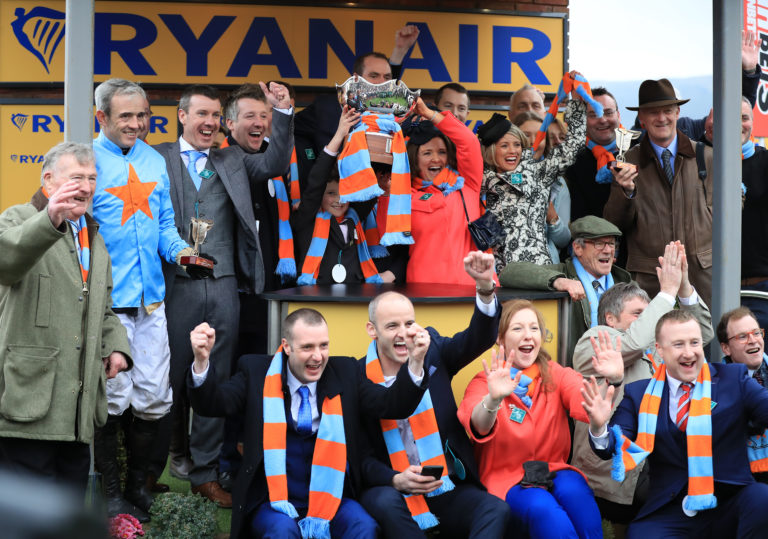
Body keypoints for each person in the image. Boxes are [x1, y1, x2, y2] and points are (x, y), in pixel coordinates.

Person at [152, 82, 293, 507]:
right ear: (182, 116)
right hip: (174, 286)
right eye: (202, 115)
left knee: (212, 378)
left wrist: (282, 115)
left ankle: (205, 473)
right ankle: (152, 471)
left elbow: (273, 162)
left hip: (225, 285)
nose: (210, 123)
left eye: (215, 116)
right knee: (168, 380)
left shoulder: (232, 158)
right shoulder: (156, 158)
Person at [187, 308, 428, 539]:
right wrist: (201, 361)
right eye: (307, 347)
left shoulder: (345, 371)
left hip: (333, 498)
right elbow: (213, 404)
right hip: (274, 501)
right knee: (282, 532)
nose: (318, 356)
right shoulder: (255, 371)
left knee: (363, 527)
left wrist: (415, 362)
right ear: (287, 347)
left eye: (324, 345)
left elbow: (391, 405)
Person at [0, 142, 131, 493]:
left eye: (91, 178)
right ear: (49, 181)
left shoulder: (93, 237)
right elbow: (5, 263)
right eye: (76, 178)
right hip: (27, 405)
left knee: (69, 512)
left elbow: (102, 308)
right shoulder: (18, 218)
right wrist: (50, 218)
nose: (87, 186)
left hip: (76, 409)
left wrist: (116, 346)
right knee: (26, 519)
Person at [91, 78, 193, 521]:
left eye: (142, 115)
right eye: (125, 116)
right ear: (102, 118)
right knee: (112, 400)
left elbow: (167, 226)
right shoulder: (86, 161)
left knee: (153, 397)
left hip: (152, 301)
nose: (136, 124)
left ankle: (138, 487)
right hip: (107, 305)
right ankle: (110, 494)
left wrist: (184, 252)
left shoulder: (154, 159)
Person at [358, 251, 510, 538]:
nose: (403, 334)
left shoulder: (433, 351)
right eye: (392, 326)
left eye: (408, 323)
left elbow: (476, 338)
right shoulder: (357, 375)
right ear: (372, 330)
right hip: (393, 490)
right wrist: (396, 479)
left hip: (444, 485)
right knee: (383, 501)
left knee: (494, 510)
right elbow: (361, 457)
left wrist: (485, 288)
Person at [583, 309, 768, 538]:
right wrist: (599, 427)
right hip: (671, 510)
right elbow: (613, 446)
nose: (689, 352)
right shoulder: (639, 393)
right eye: (679, 344)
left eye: (694, 343)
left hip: (730, 502)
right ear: (659, 350)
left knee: (762, 498)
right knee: (641, 535)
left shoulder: (733, 378)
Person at [571, 242, 713, 535]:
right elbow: (632, 344)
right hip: (614, 472)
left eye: (651, 314)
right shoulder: (595, 338)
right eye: (639, 314)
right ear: (611, 318)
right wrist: (666, 294)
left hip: (658, 460)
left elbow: (704, 334)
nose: (650, 321)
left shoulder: (657, 346)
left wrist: (684, 287)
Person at [457, 299, 623, 538]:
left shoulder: (556, 373)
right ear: (499, 338)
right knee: (543, 509)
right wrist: (493, 400)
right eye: (518, 328)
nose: (528, 335)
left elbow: (588, 400)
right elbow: (478, 426)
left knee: (577, 496)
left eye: (534, 328)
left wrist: (613, 381)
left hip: (554, 469)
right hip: (508, 480)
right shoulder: (485, 381)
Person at [603, 79, 713, 304]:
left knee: (700, 339)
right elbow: (613, 225)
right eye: (653, 112)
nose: (662, 118)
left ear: (678, 112)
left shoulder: (707, 157)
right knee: (652, 340)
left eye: (667, 111)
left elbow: (731, 211)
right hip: (650, 285)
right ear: (641, 119)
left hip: (702, 281)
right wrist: (626, 191)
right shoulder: (626, 161)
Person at [480, 81, 585, 273]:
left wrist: (577, 101)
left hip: (541, 274)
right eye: (506, 145)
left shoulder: (543, 173)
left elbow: (573, 145)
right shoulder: (483, 179)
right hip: (498, 274)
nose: (531, 142)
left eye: (538, 136)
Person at [499, 215, 628, 361]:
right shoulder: (562, 273)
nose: (607, 250)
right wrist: (558, 281)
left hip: (620, 365)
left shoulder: (624, 283)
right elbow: (509, 273)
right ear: (578, 248)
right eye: (599, 244)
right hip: (577, 370)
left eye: (611, 244)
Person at [292, 106, 392, 285]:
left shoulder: (354, 216)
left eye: (343, 193)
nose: (338, 199)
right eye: (331, 193)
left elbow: (368, 181)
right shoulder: (307, 219)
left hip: (353, 301)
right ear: (320, 196)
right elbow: (317, 181)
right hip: (314, 297)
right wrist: (339, 135)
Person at [404, 97, 486, 285]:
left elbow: (469, 142)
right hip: (423, 291)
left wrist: (430, 114)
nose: (436, 159)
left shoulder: (467, 183)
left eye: (442, 152)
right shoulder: (404, 193)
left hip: (471, 288)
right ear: (415, 159)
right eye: (427, 153)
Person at [717, 307, 768, 484]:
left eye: (756, 333)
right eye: (742, 336)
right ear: (726, 348)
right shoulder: (714, 386)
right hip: (740, 479)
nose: (753, 340)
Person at [738, 97, 768, 332]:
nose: (738, 124)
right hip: (713, 285)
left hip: (761, 286)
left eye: (744, 118)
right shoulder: (702, 164)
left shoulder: (765, 162)